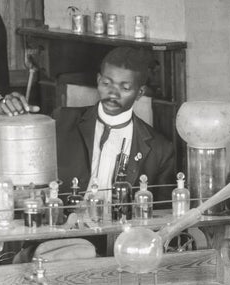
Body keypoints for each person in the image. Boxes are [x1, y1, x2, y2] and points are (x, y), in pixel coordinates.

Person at [54, 44, 176, 205]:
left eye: (125, 88)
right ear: (98, 80)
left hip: (123, 228)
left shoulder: (160, 149)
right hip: (65, 224)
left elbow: (163, 212)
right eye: (106, 84)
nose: (112, 93)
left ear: (140, 93)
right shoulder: (61, 121)